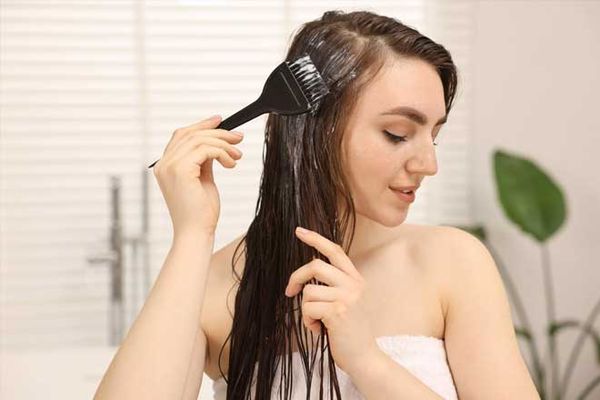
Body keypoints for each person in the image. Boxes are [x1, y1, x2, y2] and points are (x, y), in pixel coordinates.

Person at [94, 10, 541, 400]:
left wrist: (368, 362)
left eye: (434, 136)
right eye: (398, 134)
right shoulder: (218, 286)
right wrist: (193, 234)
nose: (429, 164)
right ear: (318, 129)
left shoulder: (453, 263)